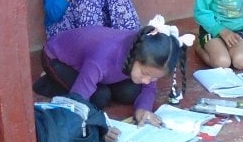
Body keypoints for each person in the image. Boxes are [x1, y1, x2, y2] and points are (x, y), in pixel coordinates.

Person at [34, 16, 193, 126]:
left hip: (99, 66)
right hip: (56, 58)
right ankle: (47, 82)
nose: (147, 80)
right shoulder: (101, 58)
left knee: (131, 91)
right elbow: (77, 102)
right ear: (135, 57)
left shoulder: (149, 55)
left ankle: (96, 82)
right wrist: (100, 126)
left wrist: (143, 109)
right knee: (100, 96)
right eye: (145, 73)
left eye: (152, 77)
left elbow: (148, 88)